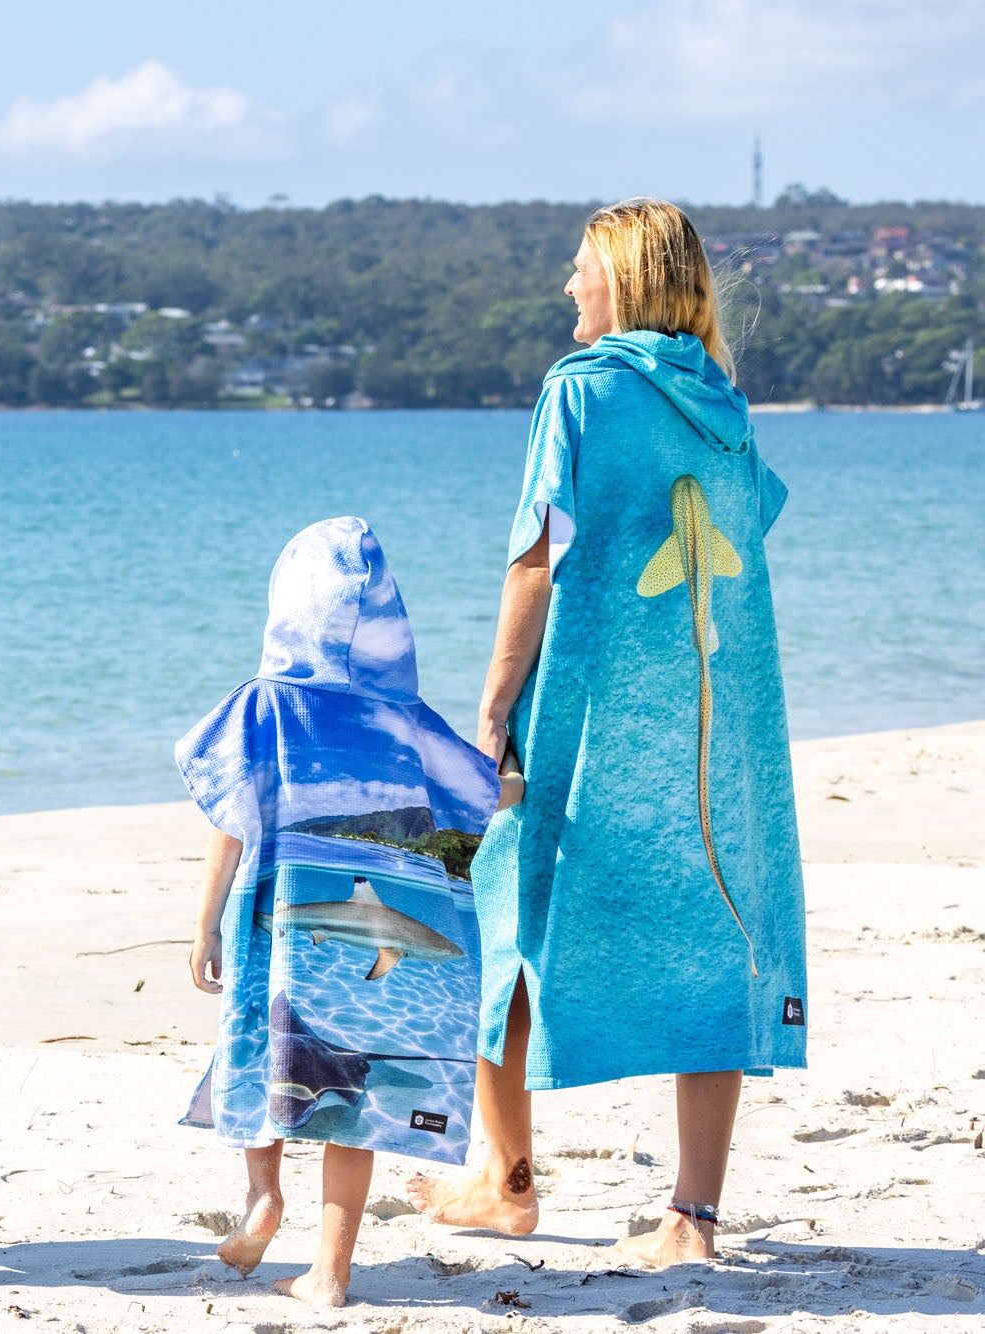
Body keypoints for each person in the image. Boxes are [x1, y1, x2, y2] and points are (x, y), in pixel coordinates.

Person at [406, 198, 808, 1269]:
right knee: (711, 936)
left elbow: (538, 556)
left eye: (580, 266)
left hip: (583, 720)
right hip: (708, 732)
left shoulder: (579, 388)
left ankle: (505, 1180)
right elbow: (740, 536)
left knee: (503, 913)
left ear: (622, 279)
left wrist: (491, 708)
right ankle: (693, 1214)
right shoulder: (721, 405)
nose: (566, 285)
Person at [178, 519, 499, 1307]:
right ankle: (330, 1271)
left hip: (265, 916)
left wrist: (206, 923)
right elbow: (478, 793)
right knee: (352, 1103)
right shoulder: (405, 718)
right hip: (352, 926)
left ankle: (263, 1197)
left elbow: (228, 824)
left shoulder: (262, 705)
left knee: (260, 1051)